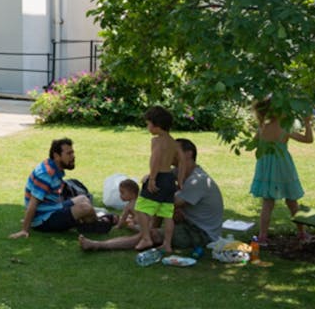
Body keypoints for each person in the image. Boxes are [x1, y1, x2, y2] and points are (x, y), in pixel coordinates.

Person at [80, 138, 224, 253]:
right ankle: (148, 230)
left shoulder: (197, 180)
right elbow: (148, 179)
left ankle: (99, 245)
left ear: (188, 154)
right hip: (187, 222)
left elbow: (168, 202)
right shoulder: (178, 171)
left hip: (201, 233)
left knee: (156, 222)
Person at [251, 98, 313, 243]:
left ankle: (262, 236)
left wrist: (261, 126)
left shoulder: (262, 128)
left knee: (267, 202)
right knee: (292, 201)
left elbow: (253, 144)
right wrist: (308, 123)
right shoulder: (285, 128)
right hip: (284, 167)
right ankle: (302, 233)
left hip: (266, 167)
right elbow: (308, 139)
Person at [10, 137, 99, 238]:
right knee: (85, 208)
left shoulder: (53, 166)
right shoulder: (46, 174)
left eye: (73, 152)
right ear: (57, 156)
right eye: (69, 154)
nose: (73, 156)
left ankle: (89, 222)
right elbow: (33, 202)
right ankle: (95, 225)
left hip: (53, 207)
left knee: (84, 198)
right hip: (43, 219)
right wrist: (24, 230)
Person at [134, 106, 180, 252]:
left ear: (156, 125)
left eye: (148, 124)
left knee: (140, 208)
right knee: (167, 214)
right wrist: (181, 180)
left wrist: (152, 178)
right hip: (169, 178)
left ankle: (146, 238)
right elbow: (179, 161)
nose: (147, 127)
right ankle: (167, 244)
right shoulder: (173, 142)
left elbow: (155, 159)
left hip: (159, 178)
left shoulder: (157, 141)